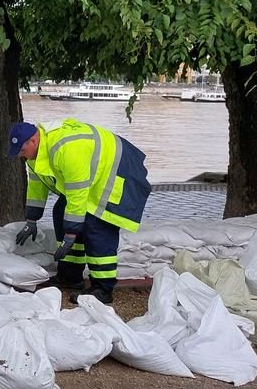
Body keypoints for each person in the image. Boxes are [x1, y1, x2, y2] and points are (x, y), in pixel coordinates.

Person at [8, 119, 152, 304]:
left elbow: (77, 194)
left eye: (21, 150)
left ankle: (103, 288)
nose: (21, 156)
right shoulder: (34, 156)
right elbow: (37, 186)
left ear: (33, 141)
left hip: (115, 172)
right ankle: (70, 276)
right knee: (61, 211)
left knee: (96, 226)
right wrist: (32, 219)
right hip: (92, 178)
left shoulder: (65, 148)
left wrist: (70, 232)